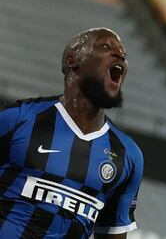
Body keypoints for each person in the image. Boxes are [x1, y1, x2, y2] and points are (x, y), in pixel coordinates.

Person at [0, 27, 144, 239]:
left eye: (124, 53)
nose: (121, 55)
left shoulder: (128, 155)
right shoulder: (17, 119)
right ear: (72, 61)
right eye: (106, 46)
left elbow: (112, 233)